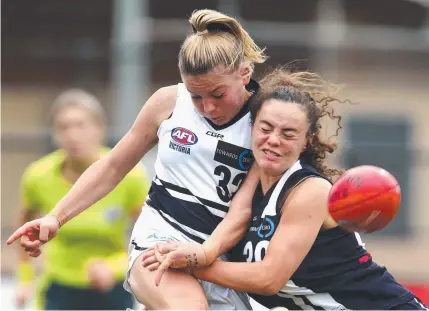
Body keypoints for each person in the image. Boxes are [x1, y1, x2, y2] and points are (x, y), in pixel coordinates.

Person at [7, 9, 268, 310]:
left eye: (217, 95)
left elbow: (258, 203)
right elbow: (113, 165)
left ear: (244, 74)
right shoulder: (169, 103)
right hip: (160, 239)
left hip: (224, 255)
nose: (207, 107)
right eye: (197, 96)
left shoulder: (266, 120)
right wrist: (57, 217)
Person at [142, 67, 429, 310]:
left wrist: (190, 264)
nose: (274, 140)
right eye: (266, 128)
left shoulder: (309, 190)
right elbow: (231, 227)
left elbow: (268, 279)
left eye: (288, 134)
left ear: (307, 142)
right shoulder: (248, 189)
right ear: (251, 128)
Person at [14, 89, 150, 310]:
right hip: (58, 289)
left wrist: (114, 267)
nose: (72, 135)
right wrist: (25, 280)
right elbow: (23, 231)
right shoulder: (37, 175)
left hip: (111, 289)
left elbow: (152, 237)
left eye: (80, 125)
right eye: (63, 127)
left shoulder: (130, 175)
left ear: (100, 128)